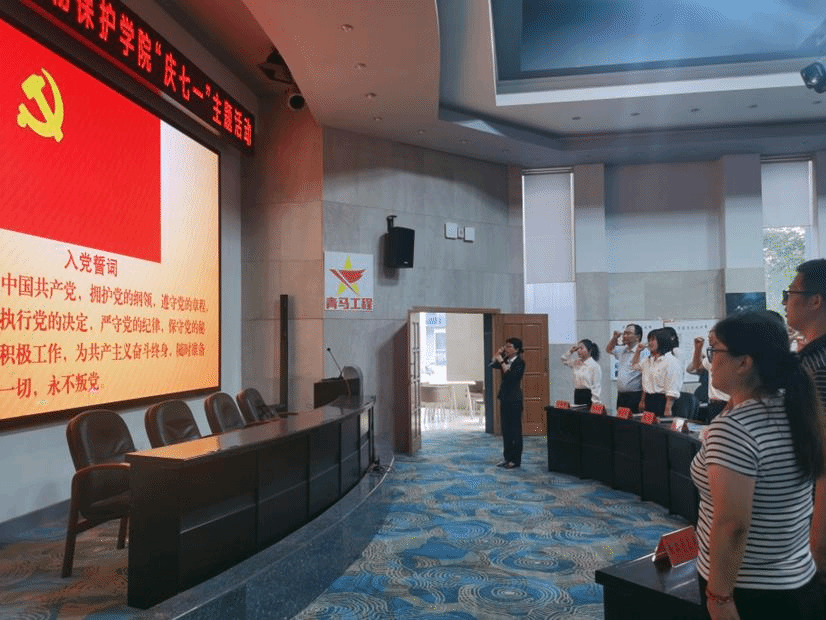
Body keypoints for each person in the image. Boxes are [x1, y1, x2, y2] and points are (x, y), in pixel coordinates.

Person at [690, 311, 826, 620]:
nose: (711, 361)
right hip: (796, 575)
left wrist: (719, 597)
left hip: (746, 588)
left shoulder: (736, 429)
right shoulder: (794, 407)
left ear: (744, 363)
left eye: (715, 351)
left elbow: (733, 524)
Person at [783, 259, 826, 580]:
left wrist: (818, 542)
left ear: (815, 301)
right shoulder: (810, 357)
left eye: (791, 293)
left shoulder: (818, 365)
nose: (786, 302)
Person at [489, 337, 525, 469]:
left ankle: (515, 460)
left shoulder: (520, 363)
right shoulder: (505, 360)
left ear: (516, 349)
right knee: (506, 429)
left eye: (509, 347)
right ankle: (507, 457)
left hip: (515, 399)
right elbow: (491, 364)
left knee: (515, 430)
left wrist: (501, 361)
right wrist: (497, 355)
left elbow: (511, 376)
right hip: (504, 398)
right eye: (506, 346)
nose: (507, 349)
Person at [632, 328, 682, 417]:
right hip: (649, 399)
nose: (650, 343)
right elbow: (634, 366)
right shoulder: (648, 360)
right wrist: (638, 351)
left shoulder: (671, 361)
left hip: (662, 400)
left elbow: (672, 387)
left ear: (662, 341)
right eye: (649, 340)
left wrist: (668, 409)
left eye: (653, 340)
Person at [687, 331, 729, 422]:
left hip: (726, 404)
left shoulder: (731, 359)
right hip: (712, 404)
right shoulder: (712, 357)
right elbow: (697, 366)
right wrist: (698, 349)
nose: (709, 337)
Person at [606, 324, 648, 412]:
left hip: (635, 395)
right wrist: (614, 338)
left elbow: (646, 378)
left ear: (637, 337)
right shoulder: (623, 350)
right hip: (621, 395)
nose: (624, 336)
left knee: (634, 419)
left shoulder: (643, 352)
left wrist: (643, 400)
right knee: (620, 418)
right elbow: (609, 349)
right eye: (624, 333)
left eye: (628, 333)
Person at [560, 338, 602, 406]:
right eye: (578, 348)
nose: (578, 351)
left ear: (589, 350)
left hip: (588, 395)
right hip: (577, 393)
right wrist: (571, 351)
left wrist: (595, 402)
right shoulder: (576, 362)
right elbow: (563, 360)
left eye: (581, 348)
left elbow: (596, 387)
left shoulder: (594, 366)